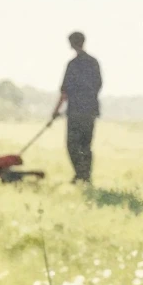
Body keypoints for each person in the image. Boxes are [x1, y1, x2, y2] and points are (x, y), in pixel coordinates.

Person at [52, 31, 102, 183]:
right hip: (90, 112)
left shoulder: (73, 65)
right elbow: (98, 85)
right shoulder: (93, 62)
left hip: (75, 112)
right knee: (86, 145)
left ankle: (81, 175)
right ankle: (85, 176)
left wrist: (56, 110)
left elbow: (65, 91)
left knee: (73, 145)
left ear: (72, 44)